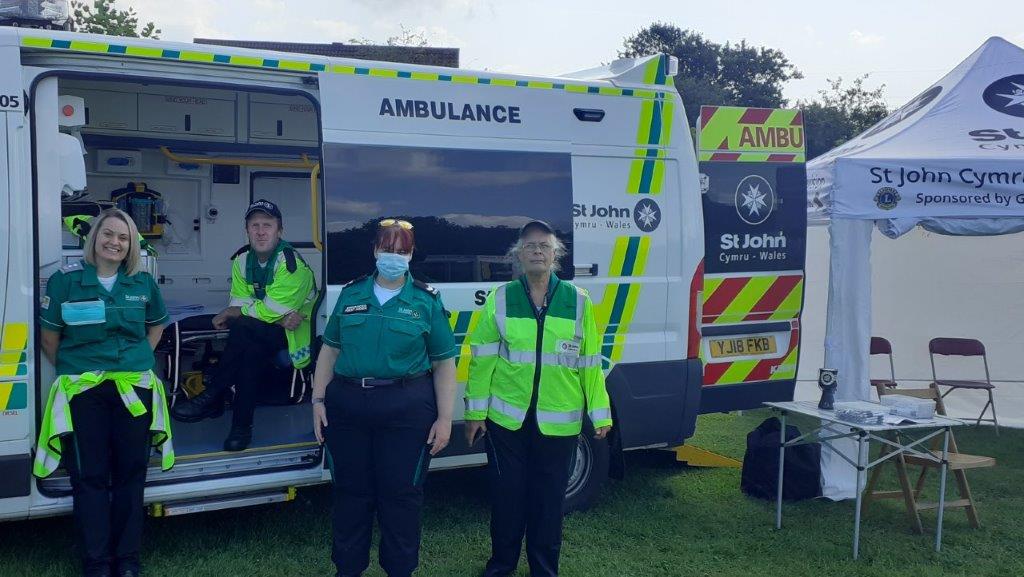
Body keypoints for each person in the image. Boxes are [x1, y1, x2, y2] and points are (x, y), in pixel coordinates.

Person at [465, 220, 613, 577]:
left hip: (558, 424)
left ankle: (544, 570)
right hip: (506, 424)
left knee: (548, 506)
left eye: (544, 246)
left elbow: (590, 364)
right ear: (518, 254)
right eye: (529, 246)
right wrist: (474, 412)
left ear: (555, 255)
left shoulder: (577, 302)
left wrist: (601, 413)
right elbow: (481, 360)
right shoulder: (501, 299)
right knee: (507, 502)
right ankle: (500, 568)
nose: (536, 251)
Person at [311, 218, 457, 577]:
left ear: (410, 255)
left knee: (401, 498)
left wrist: (444, 418)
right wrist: (316, 402)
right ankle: (348, 569)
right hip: (348, 406)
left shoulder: (425, 301)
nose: (393, 255)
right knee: (350, 495)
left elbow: (443, 364)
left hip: (406, 409)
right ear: (375, 251)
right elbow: (329, 351)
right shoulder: (352, 294)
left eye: (401, 249)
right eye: (387, 248)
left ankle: (400, 570)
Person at [35, 208, 174, 577]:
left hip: (133, 388)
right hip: (85, 391)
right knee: (90, 475)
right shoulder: (65, 284)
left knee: (132, 473)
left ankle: (127, 560)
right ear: (94, 238)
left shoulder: (143, 284)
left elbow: (156, 328)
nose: (114, 242)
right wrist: (84, 367)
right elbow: (50, 340)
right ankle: (96, 562)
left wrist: (135, 357)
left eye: (123, 237)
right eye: (108, 234)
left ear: (131, 246)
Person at [171, 199, 317, 451]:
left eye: (267, 225)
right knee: (249, 349)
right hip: (262, 331)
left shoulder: (292, 264)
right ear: (247, 230)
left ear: (279, 231)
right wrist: (262, 313)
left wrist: (243, 312)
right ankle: (239, 428)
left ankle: (213, 393)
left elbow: (259, 309)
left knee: (244, 329)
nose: (261, 231)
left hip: (293, 336)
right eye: (255, 225)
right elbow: (246, 303)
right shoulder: (241, 261)